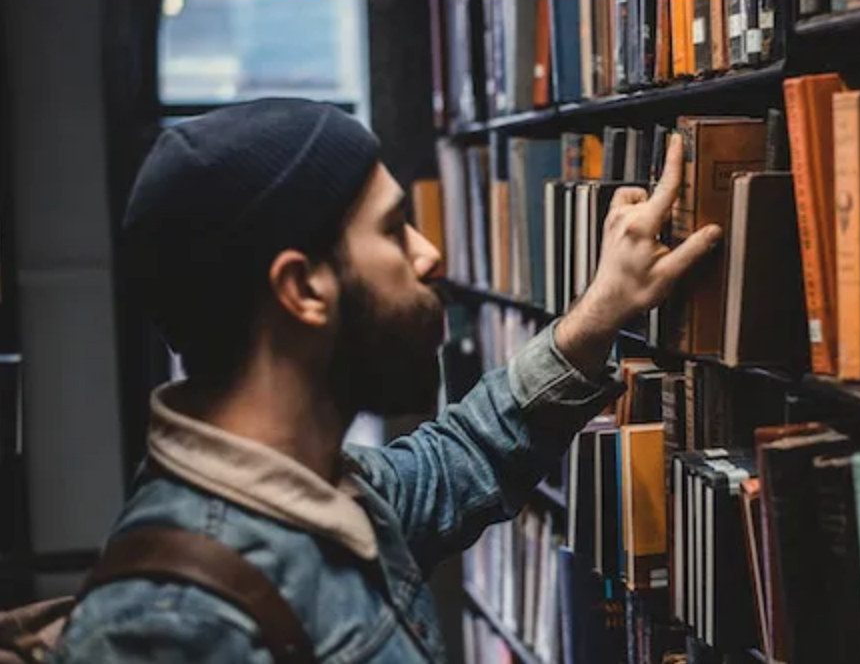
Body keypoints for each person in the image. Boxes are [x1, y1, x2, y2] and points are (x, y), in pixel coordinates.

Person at [45, 98, 721, 663]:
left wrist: (600, 310)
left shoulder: (333, 492)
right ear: (302, 288)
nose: (429, 255)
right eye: (396, 229)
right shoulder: (171, 622)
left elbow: (468, 453)